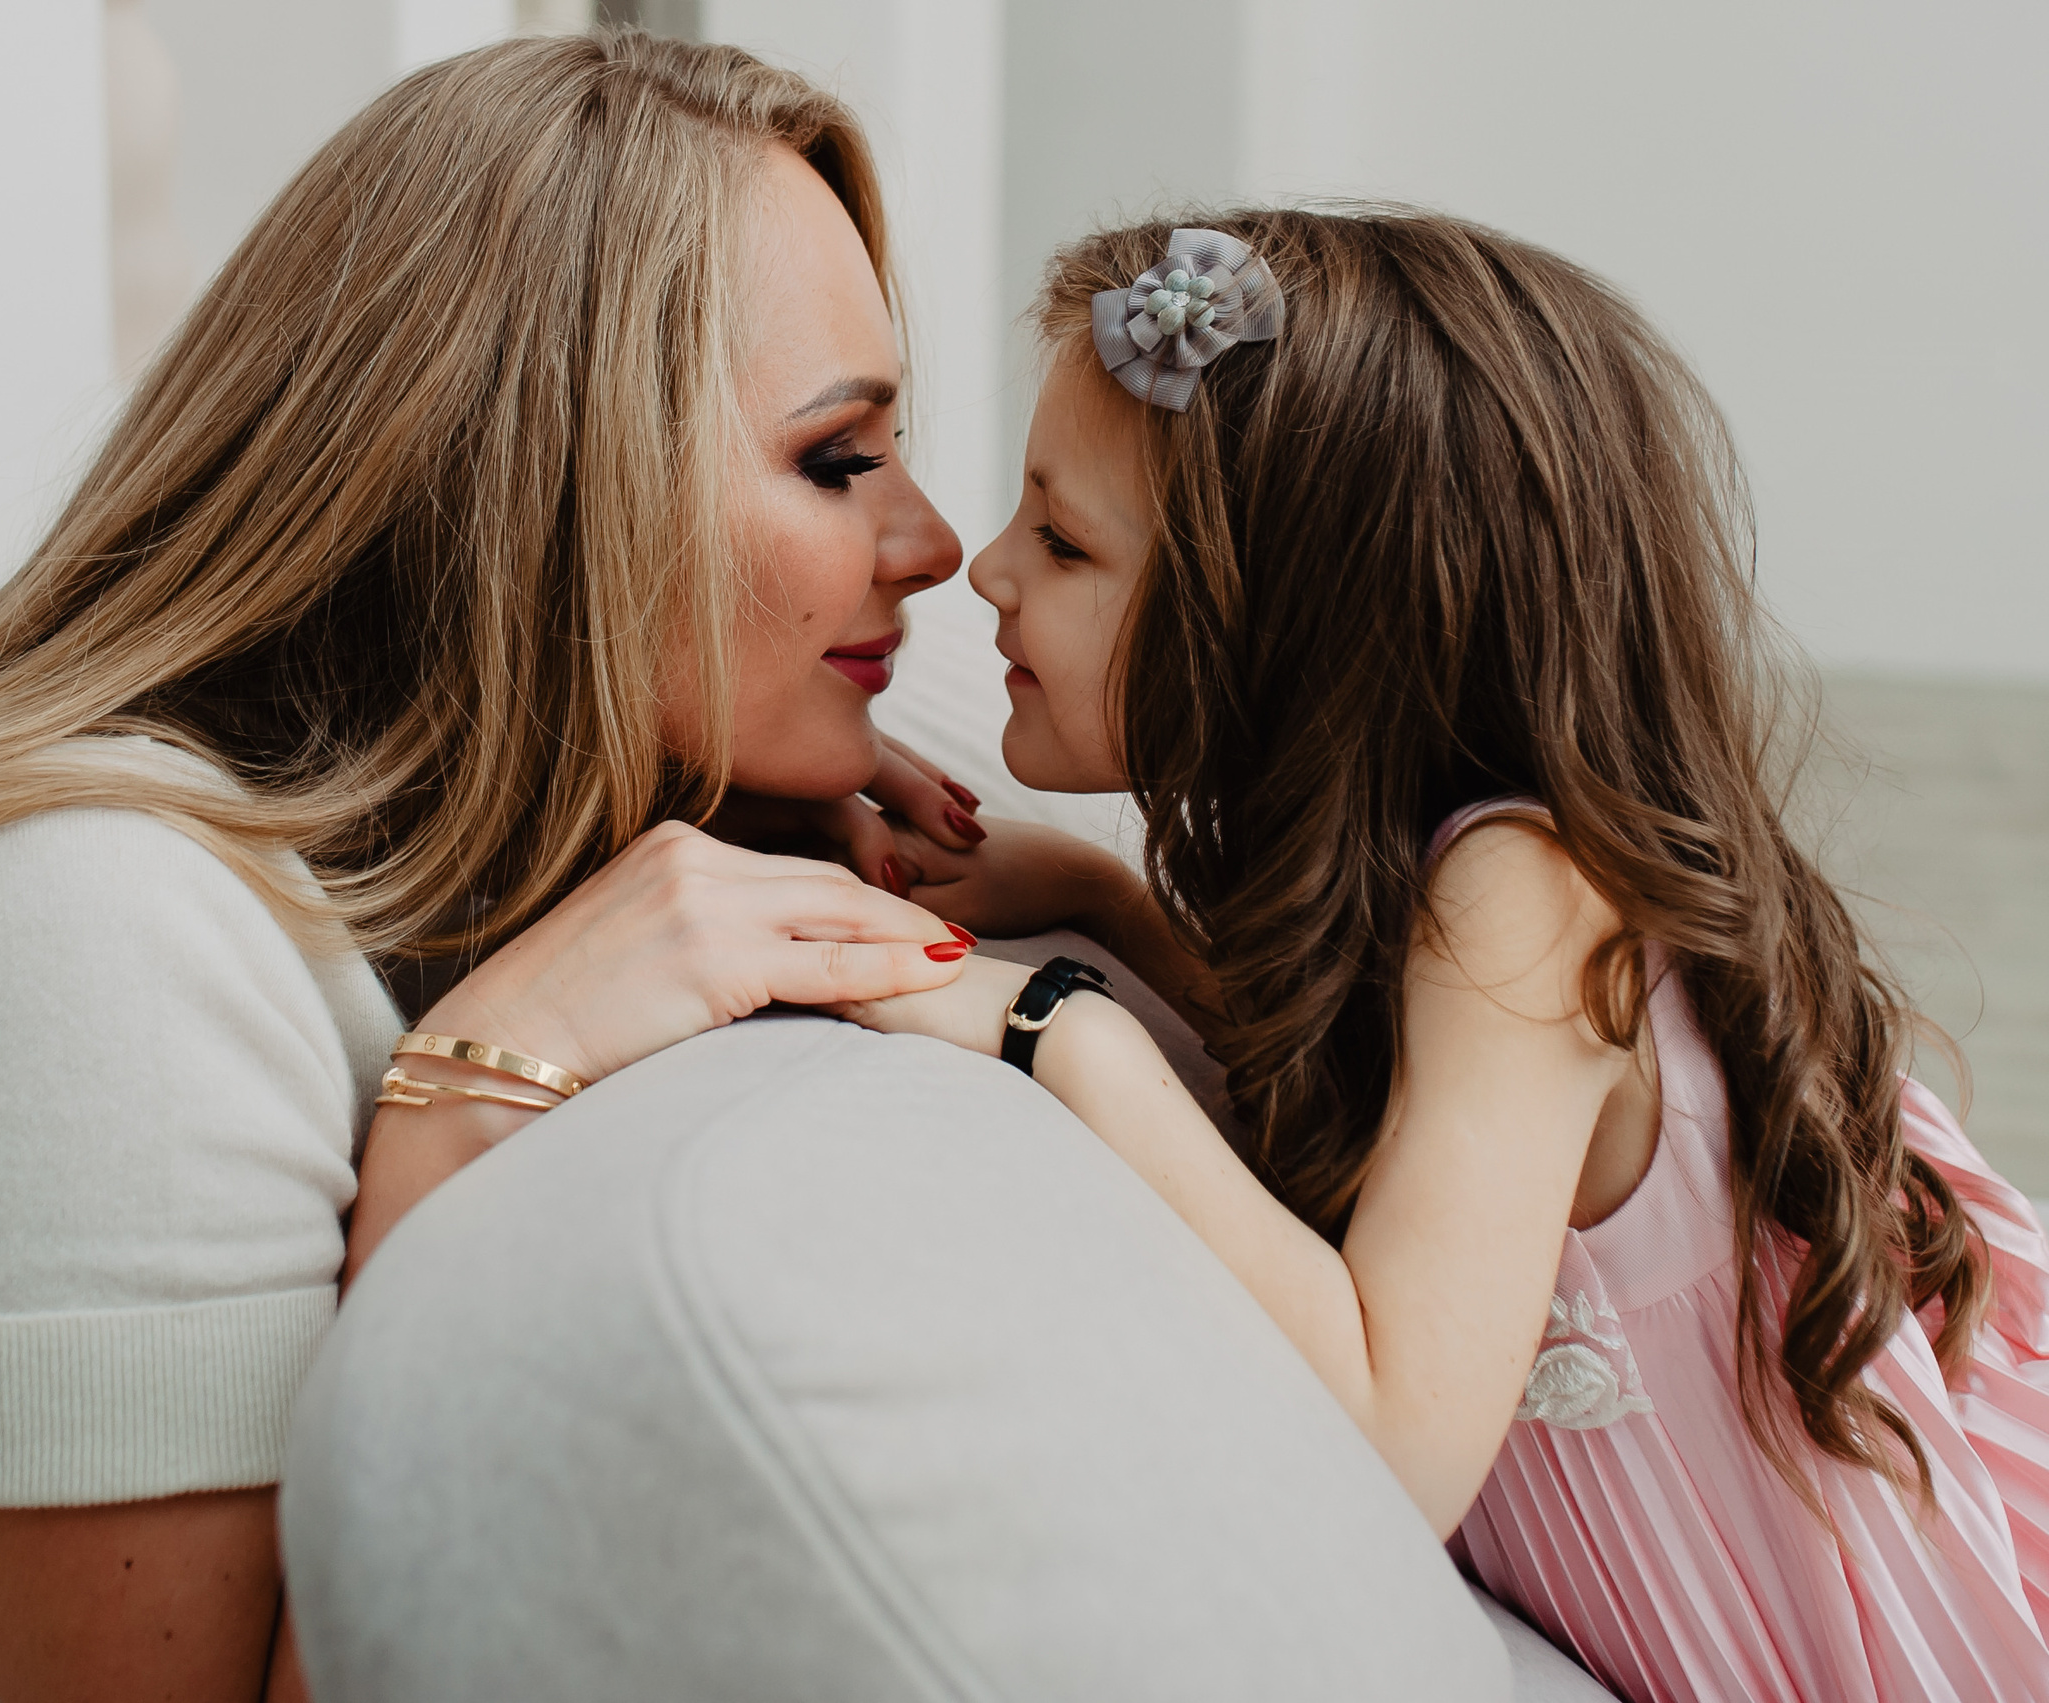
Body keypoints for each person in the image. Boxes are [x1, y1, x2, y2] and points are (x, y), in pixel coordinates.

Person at [0, 32, 989, 1702]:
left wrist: (1026, 896)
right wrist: (466, 1117)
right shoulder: (83, 933)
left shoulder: (515, 852)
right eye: (839, 459)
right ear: (533, 487)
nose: (935, 543)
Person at [843, 210, 2049, 1701]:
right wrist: (1105, 898)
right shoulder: (1449, 895)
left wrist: (1056, 1025)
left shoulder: (1528, 891)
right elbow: (1408, 1098)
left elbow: (1389, 1446)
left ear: (1289, 629)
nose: (988, 573)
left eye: (1065, 538)